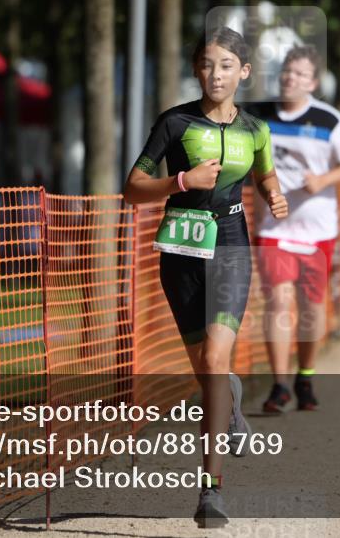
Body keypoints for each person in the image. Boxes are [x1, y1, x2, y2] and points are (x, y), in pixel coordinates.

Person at [122, 27, 288, 528]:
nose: (215, 74)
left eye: (224, 65)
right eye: (206, 64)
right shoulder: (175, 123)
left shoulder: (256, 129)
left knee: (216, 360)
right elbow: (131, 188)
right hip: (181, 251)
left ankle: (210, 490)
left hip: (232, 246)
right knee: (205, 369)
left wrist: (274, 195)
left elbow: (265, 172)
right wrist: (180, 182)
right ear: (197, 70)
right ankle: (230, 401)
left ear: (243, 72)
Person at [246, 45, 340, 413]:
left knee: (311, 308)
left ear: (313, 82)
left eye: (298, 73)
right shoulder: (257, 115)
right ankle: (280, 385)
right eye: (286, 71)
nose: (289, 78)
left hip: (318, 230)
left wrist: (324, 179)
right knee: (279, 302)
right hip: (274, 228)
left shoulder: (330, 120)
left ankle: (306, 375)